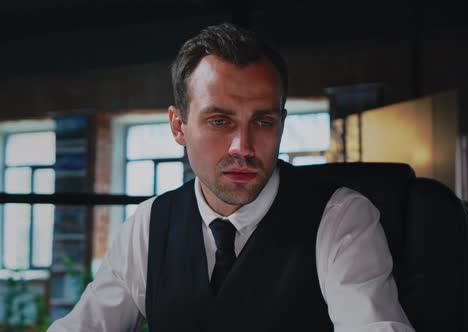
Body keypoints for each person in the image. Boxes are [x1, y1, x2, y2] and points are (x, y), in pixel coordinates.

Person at [48, 22, 414, 332]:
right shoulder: (148, 227)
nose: (244, 146)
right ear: (178, 126)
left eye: (263, 122)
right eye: (220, 121)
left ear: (281, 124)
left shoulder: (341, 219)